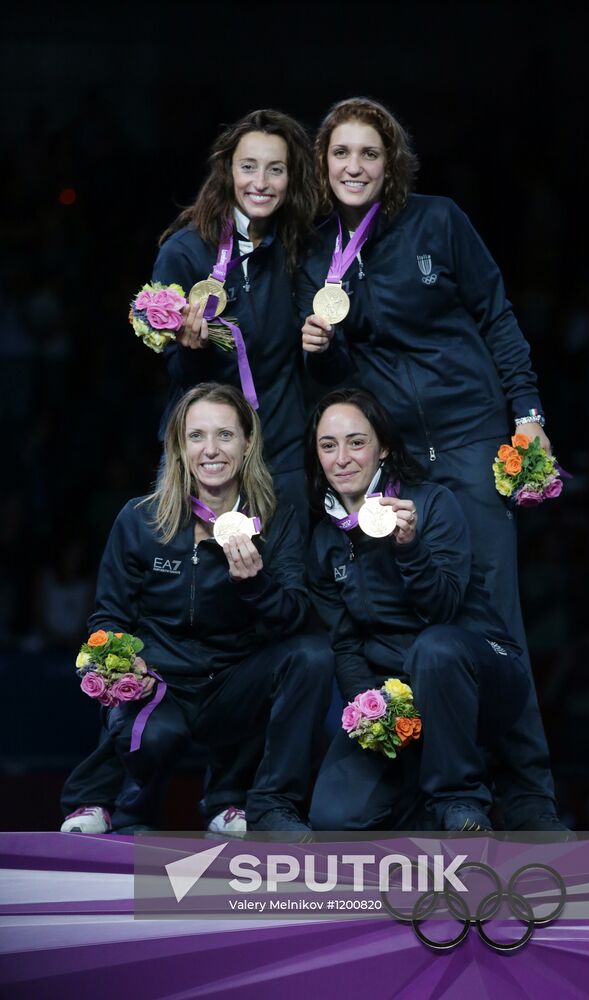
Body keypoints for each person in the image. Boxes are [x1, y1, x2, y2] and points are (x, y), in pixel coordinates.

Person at [298, 97, 566, 832]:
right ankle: (442, 791)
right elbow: (343, 380)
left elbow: (495, 315)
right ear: (323, 167)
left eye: (368, 154)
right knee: (411, 615)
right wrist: (323, 355)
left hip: (474, 438)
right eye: (340, 154)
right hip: (402, 463)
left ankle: (529, 792)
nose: (354, 166)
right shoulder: (320, 252)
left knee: (490, 614)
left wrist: (527, 415)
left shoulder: (439, 222)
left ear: (391, 165)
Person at [60, 383, 333, 834]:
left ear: (247, 444)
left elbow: (296, 615)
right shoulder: (140, 518)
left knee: (312, 656)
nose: (211, 450)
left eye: (225, 435)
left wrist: (255, 587)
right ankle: (115, 805)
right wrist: (127, 664)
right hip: (160, 682)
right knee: (154, 734)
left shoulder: (276, 516)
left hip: (232, 682)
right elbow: (107, 618)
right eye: (196, 436)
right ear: (179, 447)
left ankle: (255, 802)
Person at [306, 388, 531, 831]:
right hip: (398, 692)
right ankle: (417, 795)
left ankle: (460, 802)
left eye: (357, 441)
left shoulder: (431, 504)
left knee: (435, 648)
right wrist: (371, 707)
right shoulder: (324, 540)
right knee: (333, 817)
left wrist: (410, 549)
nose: (343, 458)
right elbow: (346, 644)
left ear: (383, 447)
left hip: (478, 676)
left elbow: (445, 608)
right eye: (328, 446)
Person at [154, 108, 318, 536]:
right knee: (197, 590)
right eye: (248, 167)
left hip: (280, 450)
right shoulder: (185, 252)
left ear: (291, 177)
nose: (260, 183)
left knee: (285, 587)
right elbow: (174, 370)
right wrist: (192, 350)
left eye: (275, 169)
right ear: (228, 171)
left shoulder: (301, 249)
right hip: (205, 456)